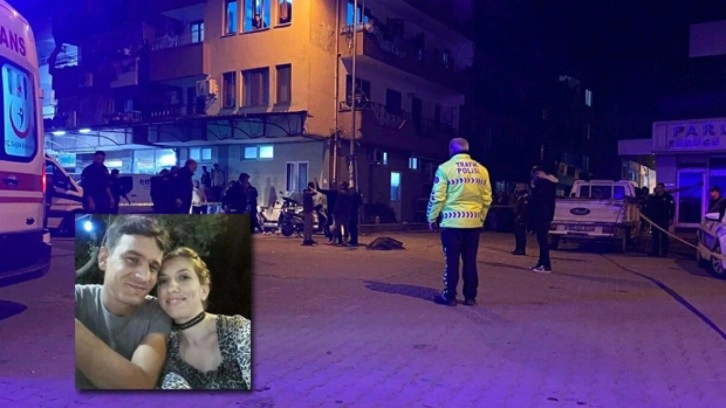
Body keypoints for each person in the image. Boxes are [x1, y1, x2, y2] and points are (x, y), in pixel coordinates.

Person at [75, 215, 172, 389]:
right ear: (104, 258)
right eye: (132, 260)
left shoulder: (156, 312)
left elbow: (139, 385)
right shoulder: (77, 298)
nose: (144, 276)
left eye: (153, 267)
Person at [158, 247, 251, 390]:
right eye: (163, 280)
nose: (171, 287)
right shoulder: (165, 351)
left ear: (204, 291)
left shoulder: (237, 330)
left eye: (183, 277)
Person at [427, 137, 492, 306]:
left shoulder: (445, 168)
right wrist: (481, 217)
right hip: (473, 224)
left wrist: (431, 217)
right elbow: (487, 199)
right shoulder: (482, 170)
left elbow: (437, 197)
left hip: (451, 224)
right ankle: (470, 296)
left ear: (451, 150)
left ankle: (449, 296)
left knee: (452, 261)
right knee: (470, 260)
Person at [529, 165, 558, 273]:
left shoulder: (547, 184)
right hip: (540, 215)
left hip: (544, 216)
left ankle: (546, 265)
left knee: (543, 241)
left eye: (537, 173)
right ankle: (541, 262)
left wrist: (544, 178)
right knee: (540, 241)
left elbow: (542, 200)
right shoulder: (541, 184)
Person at [645, 182, 675, 257]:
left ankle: (664, 253)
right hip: (655, 219)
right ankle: (655, 251)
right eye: (657, 188)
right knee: (655, 236)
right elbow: (649, 207)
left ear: (663, 188)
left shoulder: (668, 197)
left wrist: (671, 218)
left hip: (664, 219)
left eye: (659, 188)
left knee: (664, 236)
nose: (658, 189)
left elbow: (672, 208)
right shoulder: (653, 197)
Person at [332, 181, 352, 246]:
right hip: (345, 213)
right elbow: (349, 205)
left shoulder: (340, 194)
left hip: (340, 213)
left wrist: (335, 212)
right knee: (345, 227)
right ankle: (345, 241)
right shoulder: (348, 194)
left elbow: (338, 204)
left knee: (337, 226)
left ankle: (335, 239)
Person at [511, 182, 529, 255]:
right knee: (517, 234)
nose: (516, 188)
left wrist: (521, 216)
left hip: (522, 217)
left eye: (518, 187)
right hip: (517, 216)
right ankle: (517, 248)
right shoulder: (518, 195)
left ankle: (521, 249)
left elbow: (525, 207)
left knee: (521, 234)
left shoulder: (525, 195)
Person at [302, 182, 317, 246]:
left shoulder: (307, 193)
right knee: (307, 226)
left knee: (310, 226)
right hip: (308, 211)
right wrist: (311, 188)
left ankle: (309, 239)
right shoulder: (307, 193)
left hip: (309, 210)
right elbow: (315, 192)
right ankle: (306, 240)